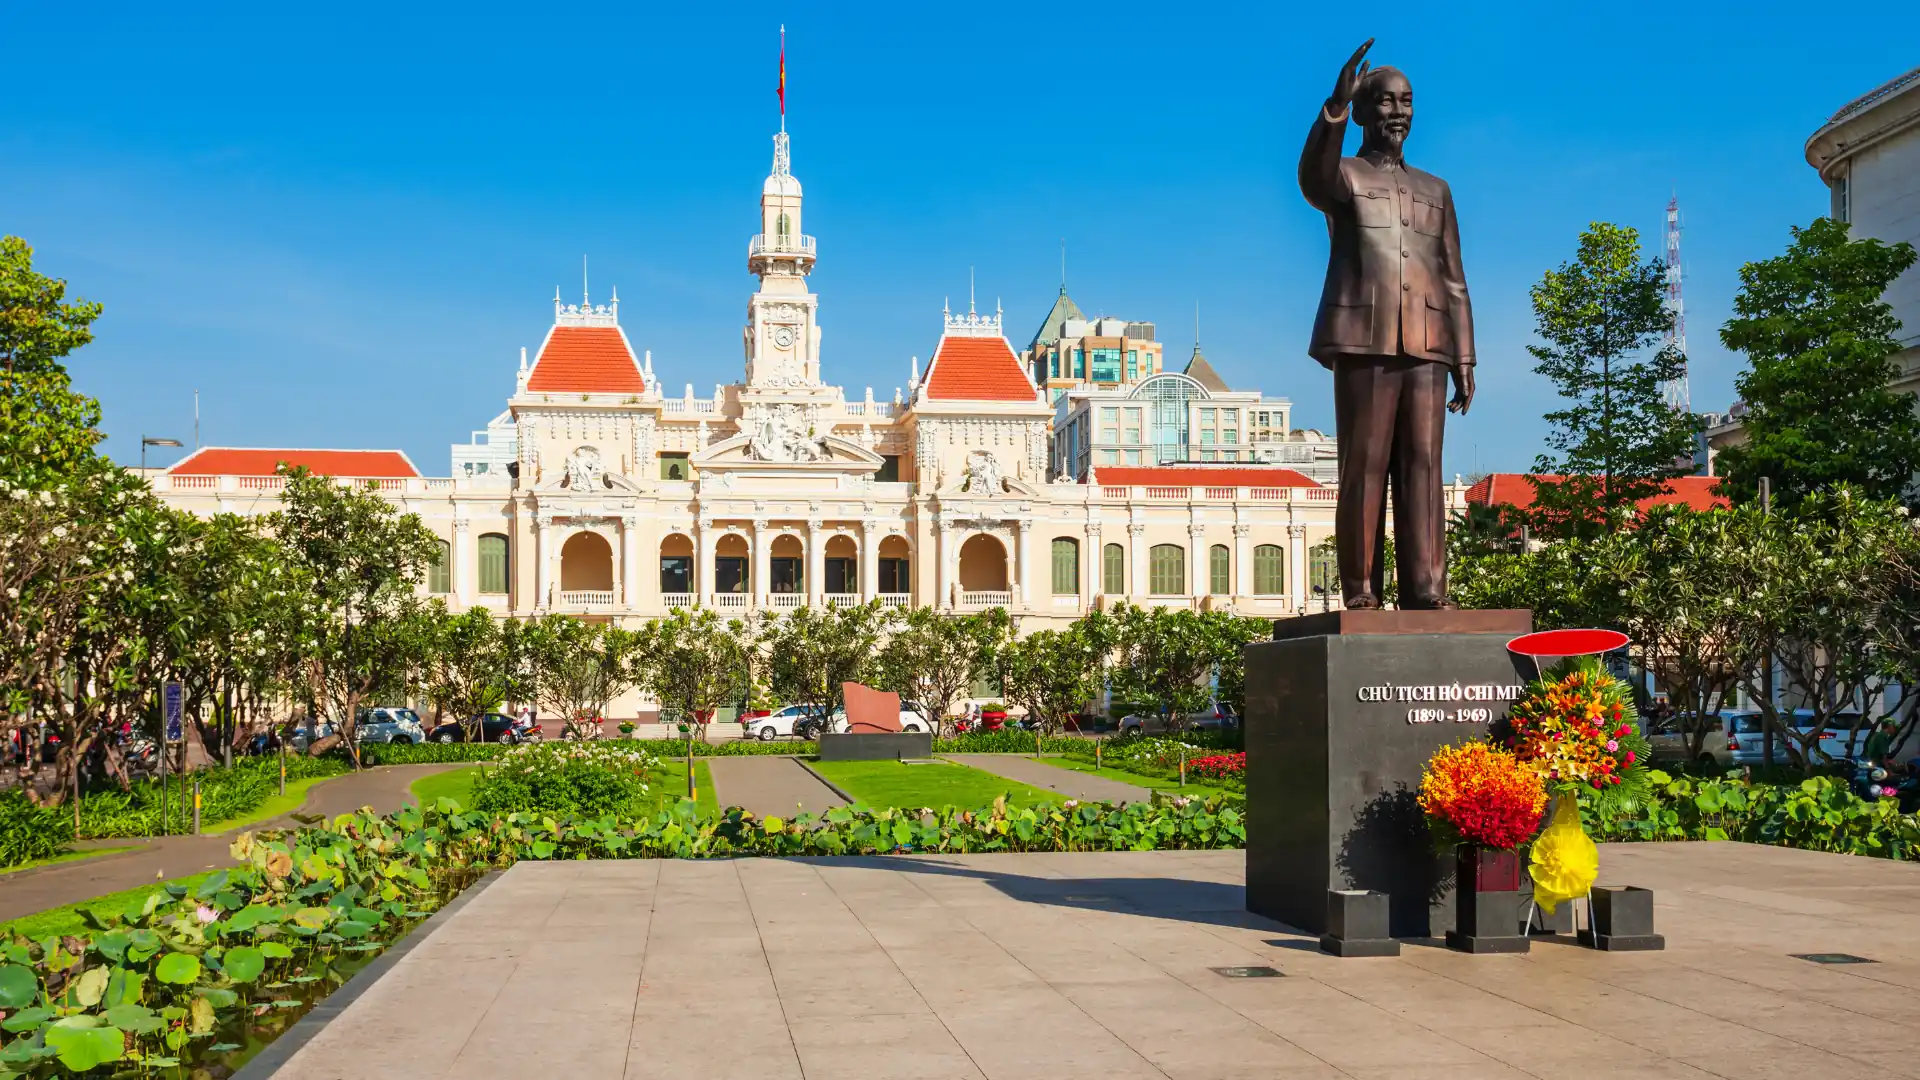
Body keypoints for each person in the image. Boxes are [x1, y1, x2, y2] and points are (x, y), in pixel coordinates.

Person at [1299, 39, 1476, 609]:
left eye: (1406, 102)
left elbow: (1453, 278)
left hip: (1428, 345)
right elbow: (1313, 180)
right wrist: (1335, 107)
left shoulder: (1436, 189)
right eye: (1384, 102)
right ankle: (1361, 590)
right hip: (1364, 341)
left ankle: (1426, 588)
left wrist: (1464, 356)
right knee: (1365, 464)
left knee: (1424, 465)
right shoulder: (1346, 177)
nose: (1397, 112)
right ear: (1365, 110)